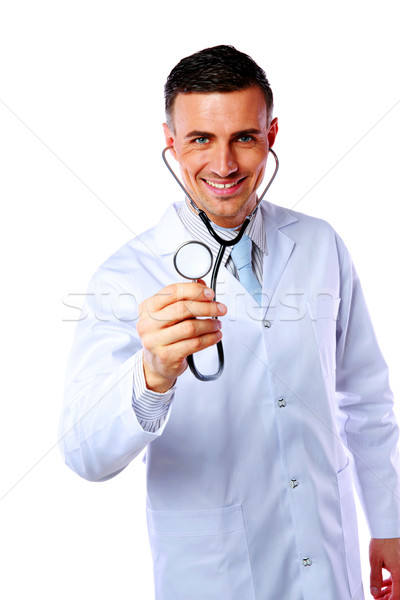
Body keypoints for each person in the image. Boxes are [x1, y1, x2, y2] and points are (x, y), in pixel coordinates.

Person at [59, 45, 400, 600]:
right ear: (171, 142)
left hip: (328, 560)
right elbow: (84, 454)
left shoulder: (319, 243)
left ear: (271, 136)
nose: (224, 165)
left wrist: (388, 521)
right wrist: (153, 377)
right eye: (200, 140)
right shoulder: (125, 276)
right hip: (215, 575)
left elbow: (365, 396)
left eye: (244, 137)